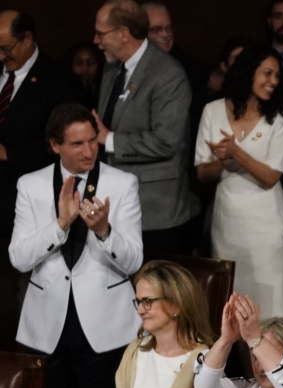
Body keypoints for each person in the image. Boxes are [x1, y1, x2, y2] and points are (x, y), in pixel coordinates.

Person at [11, 103, 144, 388]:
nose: (88, 151)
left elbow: (134, 259)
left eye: (93, 142)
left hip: (105, 323)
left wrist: (104, 231)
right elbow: (19, 258)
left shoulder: (123, 183)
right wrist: (60, 225)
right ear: (55, 145)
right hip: (46, 323)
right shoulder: (31, 185)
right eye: (76, 144)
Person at [0, 11, 86, 239]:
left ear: (27, 38)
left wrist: (9, 154)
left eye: (6, 49)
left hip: (25, 199)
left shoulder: (59, 81)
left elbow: (65, 144)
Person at [92, 0, 200, 256]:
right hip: (116, 206)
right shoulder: (111, 69)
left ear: (124, 33)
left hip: (155, 211)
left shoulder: (168, 74)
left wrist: (109, 140)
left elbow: (166, 141)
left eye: (101, 33)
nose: (96, 40)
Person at [195, 46, 283, 318]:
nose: (273, 81)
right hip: (226, 225)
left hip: (268, 229)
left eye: (277, 75)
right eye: (267, 73)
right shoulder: (213, 110)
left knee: (271, 311)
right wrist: (222, 164)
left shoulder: (281, 117)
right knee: (231, 309)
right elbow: (203, 172)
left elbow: (270, 177)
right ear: (248, 72)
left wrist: (236, 152)